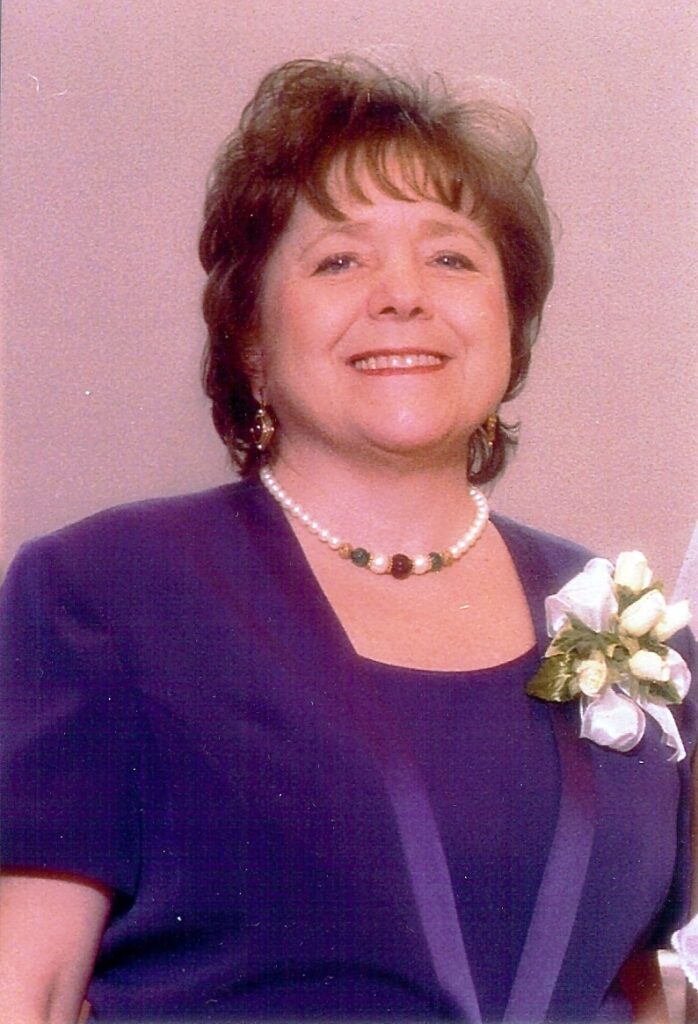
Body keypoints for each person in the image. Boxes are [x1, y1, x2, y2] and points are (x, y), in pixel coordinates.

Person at [0, 56, 695, 1024]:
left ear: (511, 323)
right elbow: (26, 985)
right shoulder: (109, 589)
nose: (402, 295)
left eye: (451, 258)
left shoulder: (627, 621)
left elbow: (639, 983)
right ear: (249, 338)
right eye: (339, 260)